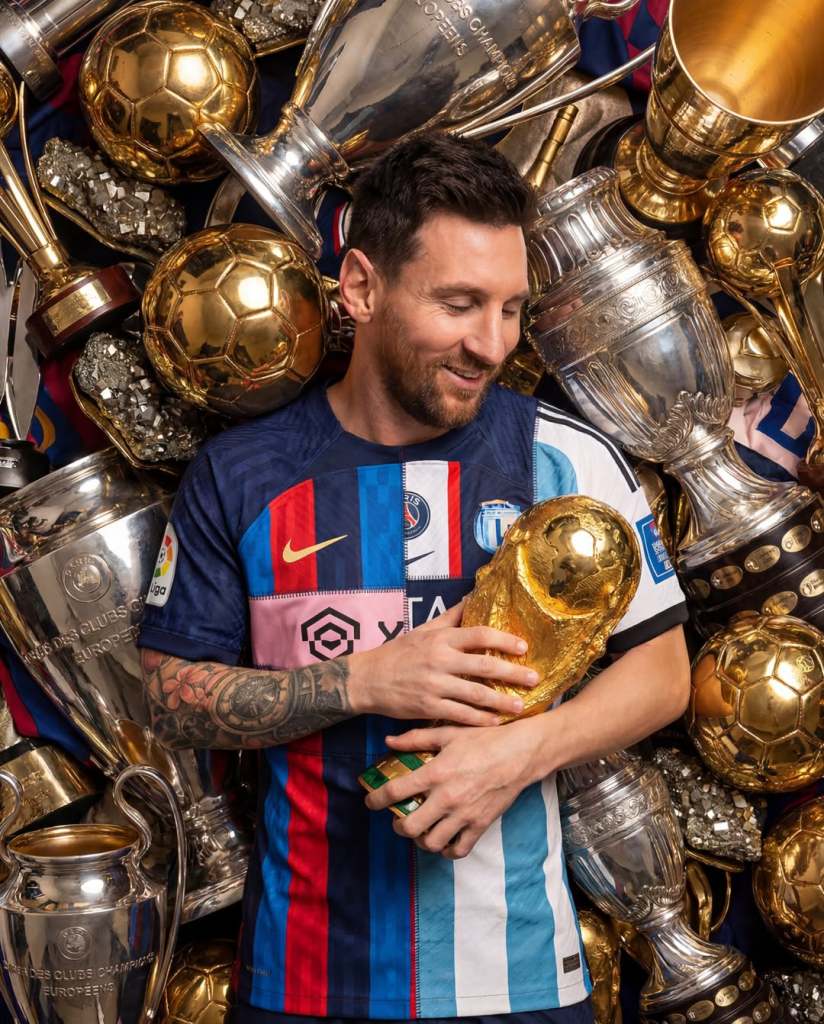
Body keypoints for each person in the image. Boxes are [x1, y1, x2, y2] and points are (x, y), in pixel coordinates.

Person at [138, 132, 690, 1024]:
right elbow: (165, 695)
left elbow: (665, 674)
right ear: (360, 287)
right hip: (303, 982)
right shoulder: (242, 475)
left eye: (510, 308)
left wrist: (518, 755)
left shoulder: (561, 458)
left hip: (519, 985)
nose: (492, 343)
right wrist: (363, 680)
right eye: (460, 303)